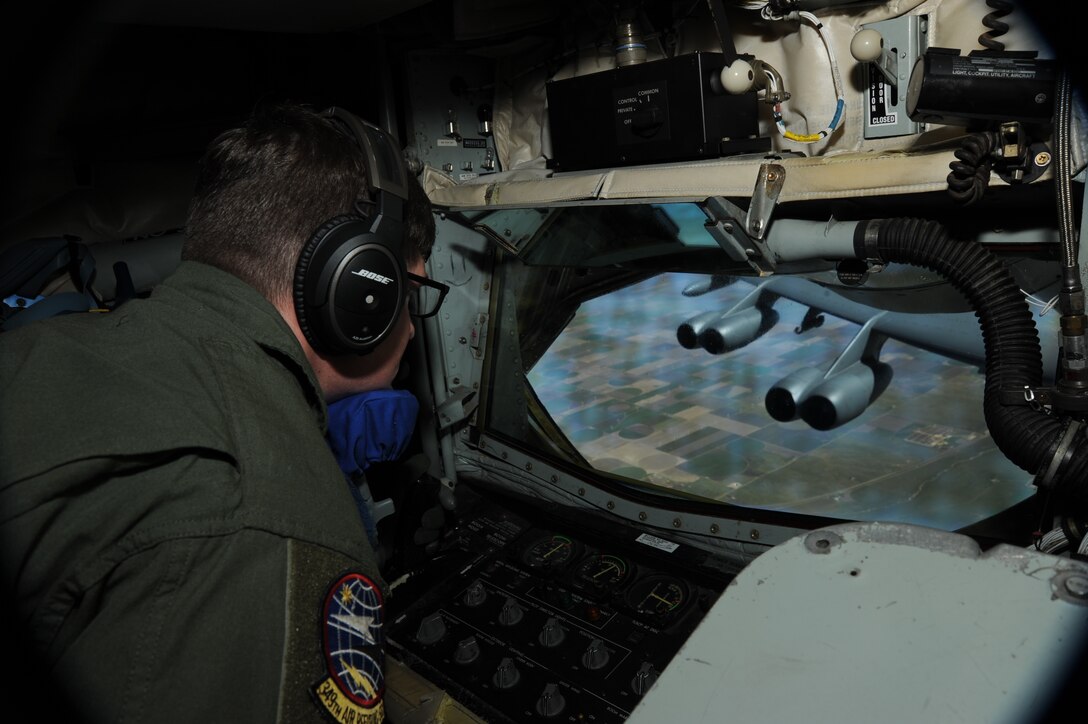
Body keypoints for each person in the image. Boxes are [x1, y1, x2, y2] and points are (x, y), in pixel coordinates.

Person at [0, 102, 437, 723]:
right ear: (359, 290)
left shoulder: (39, 347)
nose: (416, 330)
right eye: (414, 293)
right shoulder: (268, 526)